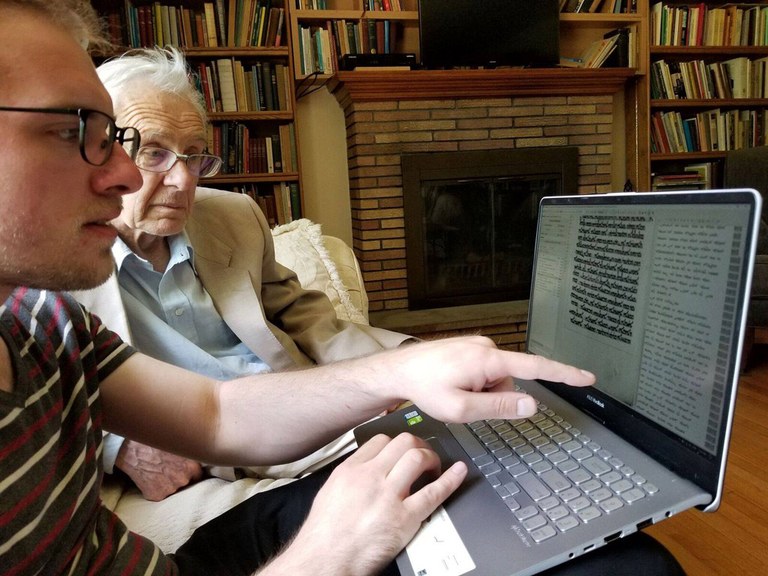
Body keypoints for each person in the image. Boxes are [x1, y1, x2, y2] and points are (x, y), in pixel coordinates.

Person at [0, 2, 685, 575]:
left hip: (264, 467)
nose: (128, 175)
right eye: (78, 133)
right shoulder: (57, 290)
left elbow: (216, 412)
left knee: (603, 545)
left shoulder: (41, 324)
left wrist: (409, 364)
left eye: (123, 142)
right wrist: (326, 555)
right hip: (241, 517)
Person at [72, 45, 411, 501]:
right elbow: (40, 396)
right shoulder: (53, 262)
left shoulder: (233, 215)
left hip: (302, 409)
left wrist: (401, 363)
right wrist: (120, 446)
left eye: (194, 156)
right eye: (154, 153)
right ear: (98, 151)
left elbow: (305, 316)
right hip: (210, 446)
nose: (184, 180)